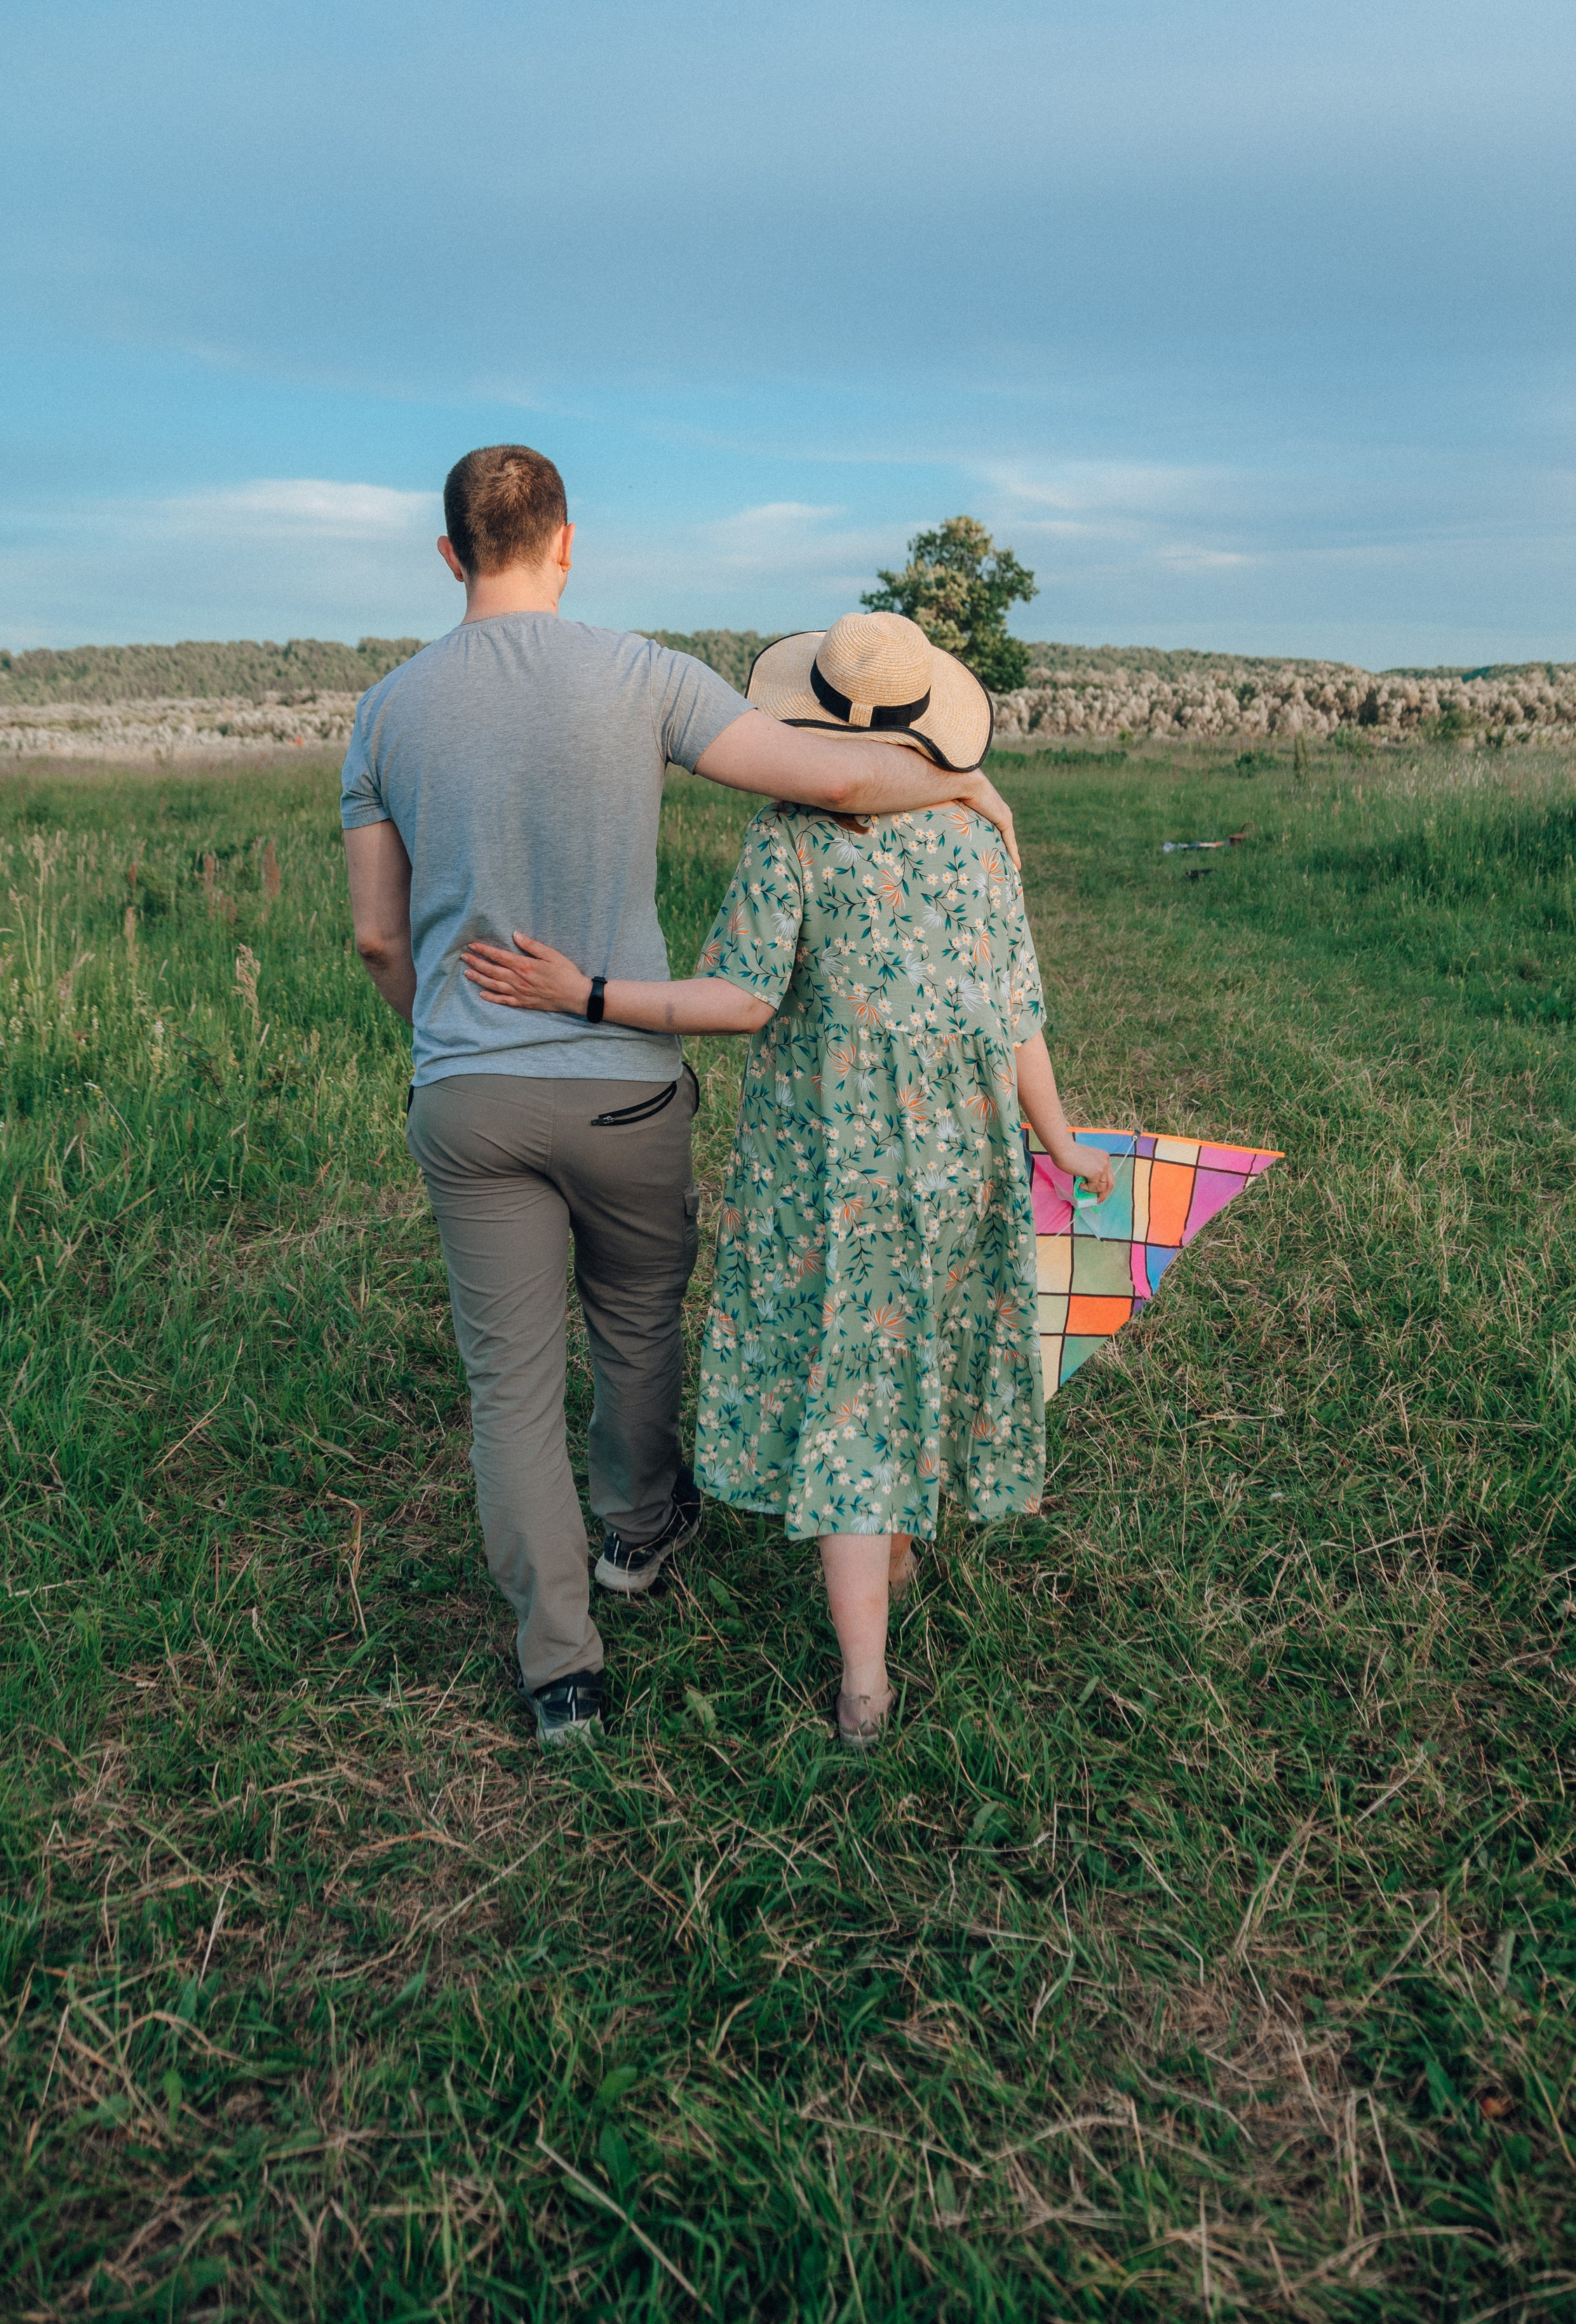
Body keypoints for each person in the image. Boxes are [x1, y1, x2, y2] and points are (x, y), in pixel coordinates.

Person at [341, 452, 1021, 1749]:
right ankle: (640, 1538)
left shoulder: (384, 714)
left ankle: (562, 1673)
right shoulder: (640, 672)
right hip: (623, 1094)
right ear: (567, 544)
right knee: (641, 1319)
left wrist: (444, 1036)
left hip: (467, 1094)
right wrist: (958, 781)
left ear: (447, 557)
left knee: (510, 1386)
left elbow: (380, 941)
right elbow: (830, 778)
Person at [463, 608, 1113, 1747]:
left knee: (854, 1393)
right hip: (961, 1159)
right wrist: (1058, 1143)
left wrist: (590, 996)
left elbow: (741, 998)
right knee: (917, 1346)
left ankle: (863, 1682)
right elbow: (1019, 1018)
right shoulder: (978, 837)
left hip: (832, 1170)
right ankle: (896, 1563)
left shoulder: (792, 837)